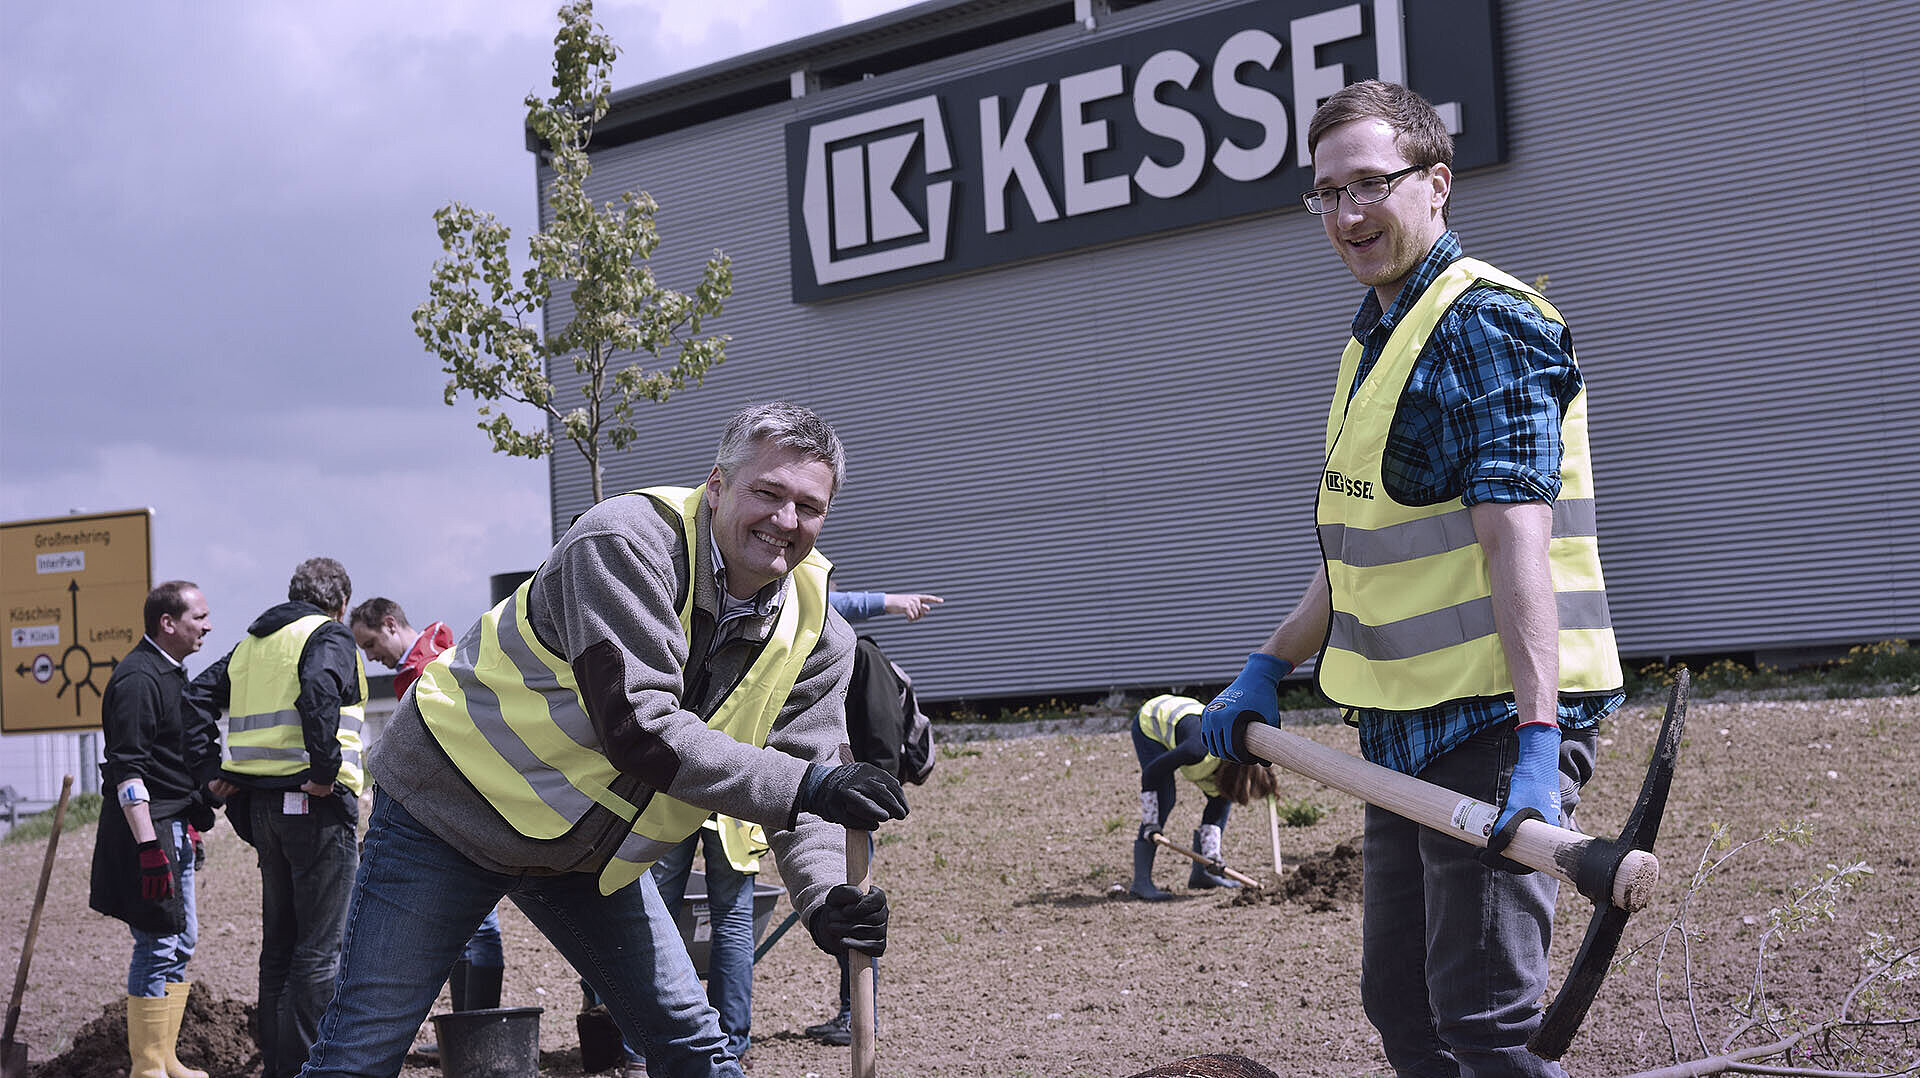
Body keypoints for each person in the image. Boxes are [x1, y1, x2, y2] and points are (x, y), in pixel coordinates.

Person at [1198, 80, 1624, 1077]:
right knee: (1402, 1007)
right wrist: (1269, 660)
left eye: (1371, 184)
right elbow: (1366, 552)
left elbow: (1516, 542)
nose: (1348, 213)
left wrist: (1536, 738)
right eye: (1327, 192)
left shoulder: (1486, 324)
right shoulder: (1376, 331)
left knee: (1483, 1021)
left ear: (1436, 183)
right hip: (1402, 728)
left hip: (1488, 722)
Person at [295, 401, 907, 1078]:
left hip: (583, 851)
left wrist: (825, 899)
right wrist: (812, 787)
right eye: (767, 493)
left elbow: (808, 773)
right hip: (448, 813)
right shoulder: (625, 544)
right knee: (362, 1051)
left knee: (693, 1047)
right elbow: (642, 730)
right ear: (717, 485)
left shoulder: (817, 630)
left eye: (809, 506)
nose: (786, 521)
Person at [187, 557, 365, 1078]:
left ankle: (278, 1068)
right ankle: (310, 1067)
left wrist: (212, 770)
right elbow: (318, 693)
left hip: (262, 809)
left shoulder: (252, 645)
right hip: (315, 806)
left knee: (279, 948)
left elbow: (195, 696)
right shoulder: (327, 635)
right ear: (341, 603)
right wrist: (326, 772)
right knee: (318, 950)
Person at [88, 581, 220, 1078]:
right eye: (199, 617)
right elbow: (128, 770)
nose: (208, 626)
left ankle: (166, 1057)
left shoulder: (171, 674)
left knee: (181, 941)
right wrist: (148, 846)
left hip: (175, 827)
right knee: (157, 943)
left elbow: (169, 761)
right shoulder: (138, 680)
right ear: (168, 622)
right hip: (147, 834)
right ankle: (147, 1068)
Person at [801, 587, 940, 1048]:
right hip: (831, 796)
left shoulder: (860, 654)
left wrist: (869, 793)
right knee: (845, 907)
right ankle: (848, 1011)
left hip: (853, 803)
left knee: (857, 908)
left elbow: (881, 731)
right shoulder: (817, 659)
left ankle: (857, 1015)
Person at [1127, 694, 1279, 901]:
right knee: (1166, 797)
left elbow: (1216, 808)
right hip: (1153, 721)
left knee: (1222, 799)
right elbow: (1152, 773)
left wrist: (1212, 856)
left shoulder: (1229, 765)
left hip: (1187, 733)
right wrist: (1151, 821)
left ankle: (1202, 874)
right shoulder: (1196, 749)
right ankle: (1141, 883)